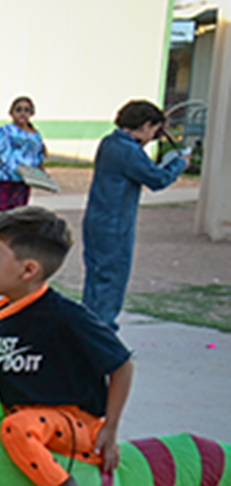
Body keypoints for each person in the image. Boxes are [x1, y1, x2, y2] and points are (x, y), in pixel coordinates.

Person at [0, 206, 133, 486]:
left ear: (29, 270)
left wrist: (111, 429)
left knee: (17, 428)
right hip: (23, 422)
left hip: (70, 424)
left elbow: (122, 365)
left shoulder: (67, 317)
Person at [81, 99, 189, 326]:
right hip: (115, 224)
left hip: (96, 220)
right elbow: (157, 180)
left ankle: (89, 330)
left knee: (96, 280)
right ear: (146, 125)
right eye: (155, 131)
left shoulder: (110, 142)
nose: (154, 136)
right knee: (112, 282)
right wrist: (179, 164)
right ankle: (102, 334)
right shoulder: (128, 150)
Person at [0, 96, 46, 215]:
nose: (22, 113)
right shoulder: (5, 131)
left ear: (32, 113)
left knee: (18, 215)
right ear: (11, 113)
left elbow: (39, 160)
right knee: (2, 214)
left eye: (26, 110)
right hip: (4, 179)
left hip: (23, 180)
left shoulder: (35, 136)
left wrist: (40, 175)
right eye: (19, 110)